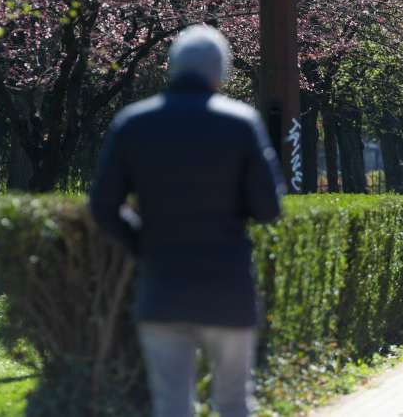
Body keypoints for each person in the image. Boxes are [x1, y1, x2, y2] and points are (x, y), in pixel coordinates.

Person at [89, 25, 285, 417]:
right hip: (228, 286)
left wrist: (140, 243)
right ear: (221, 73)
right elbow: (268, 208)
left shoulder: (134, 123)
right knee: (232, 402)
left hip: (163, 285)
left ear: (171, 69)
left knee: (171, 404)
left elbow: (102, 205)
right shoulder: (241, 122)